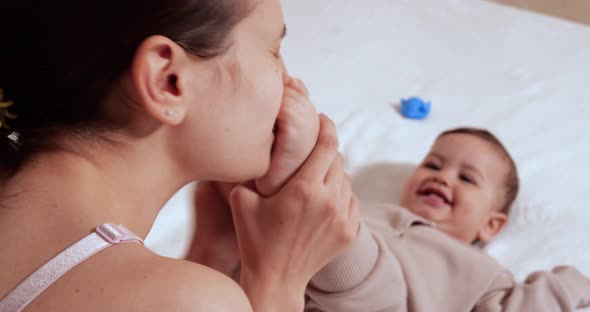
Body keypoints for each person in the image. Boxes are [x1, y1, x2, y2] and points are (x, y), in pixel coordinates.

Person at [0, 0, 360, 311]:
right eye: (274, 50)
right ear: (167, 80)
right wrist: (279, 279)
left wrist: (210, 253)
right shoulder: (190, 302)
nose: (291, 82)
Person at [306, 128, 590, 311]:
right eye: (433, 165)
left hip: (372, 298)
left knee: (328, 210)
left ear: (491, 225)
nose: (442, 177)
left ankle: (303, 162)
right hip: (290, 289)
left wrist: (570, 284)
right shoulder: (370, 208)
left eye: (466, 178)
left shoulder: (480, 272)